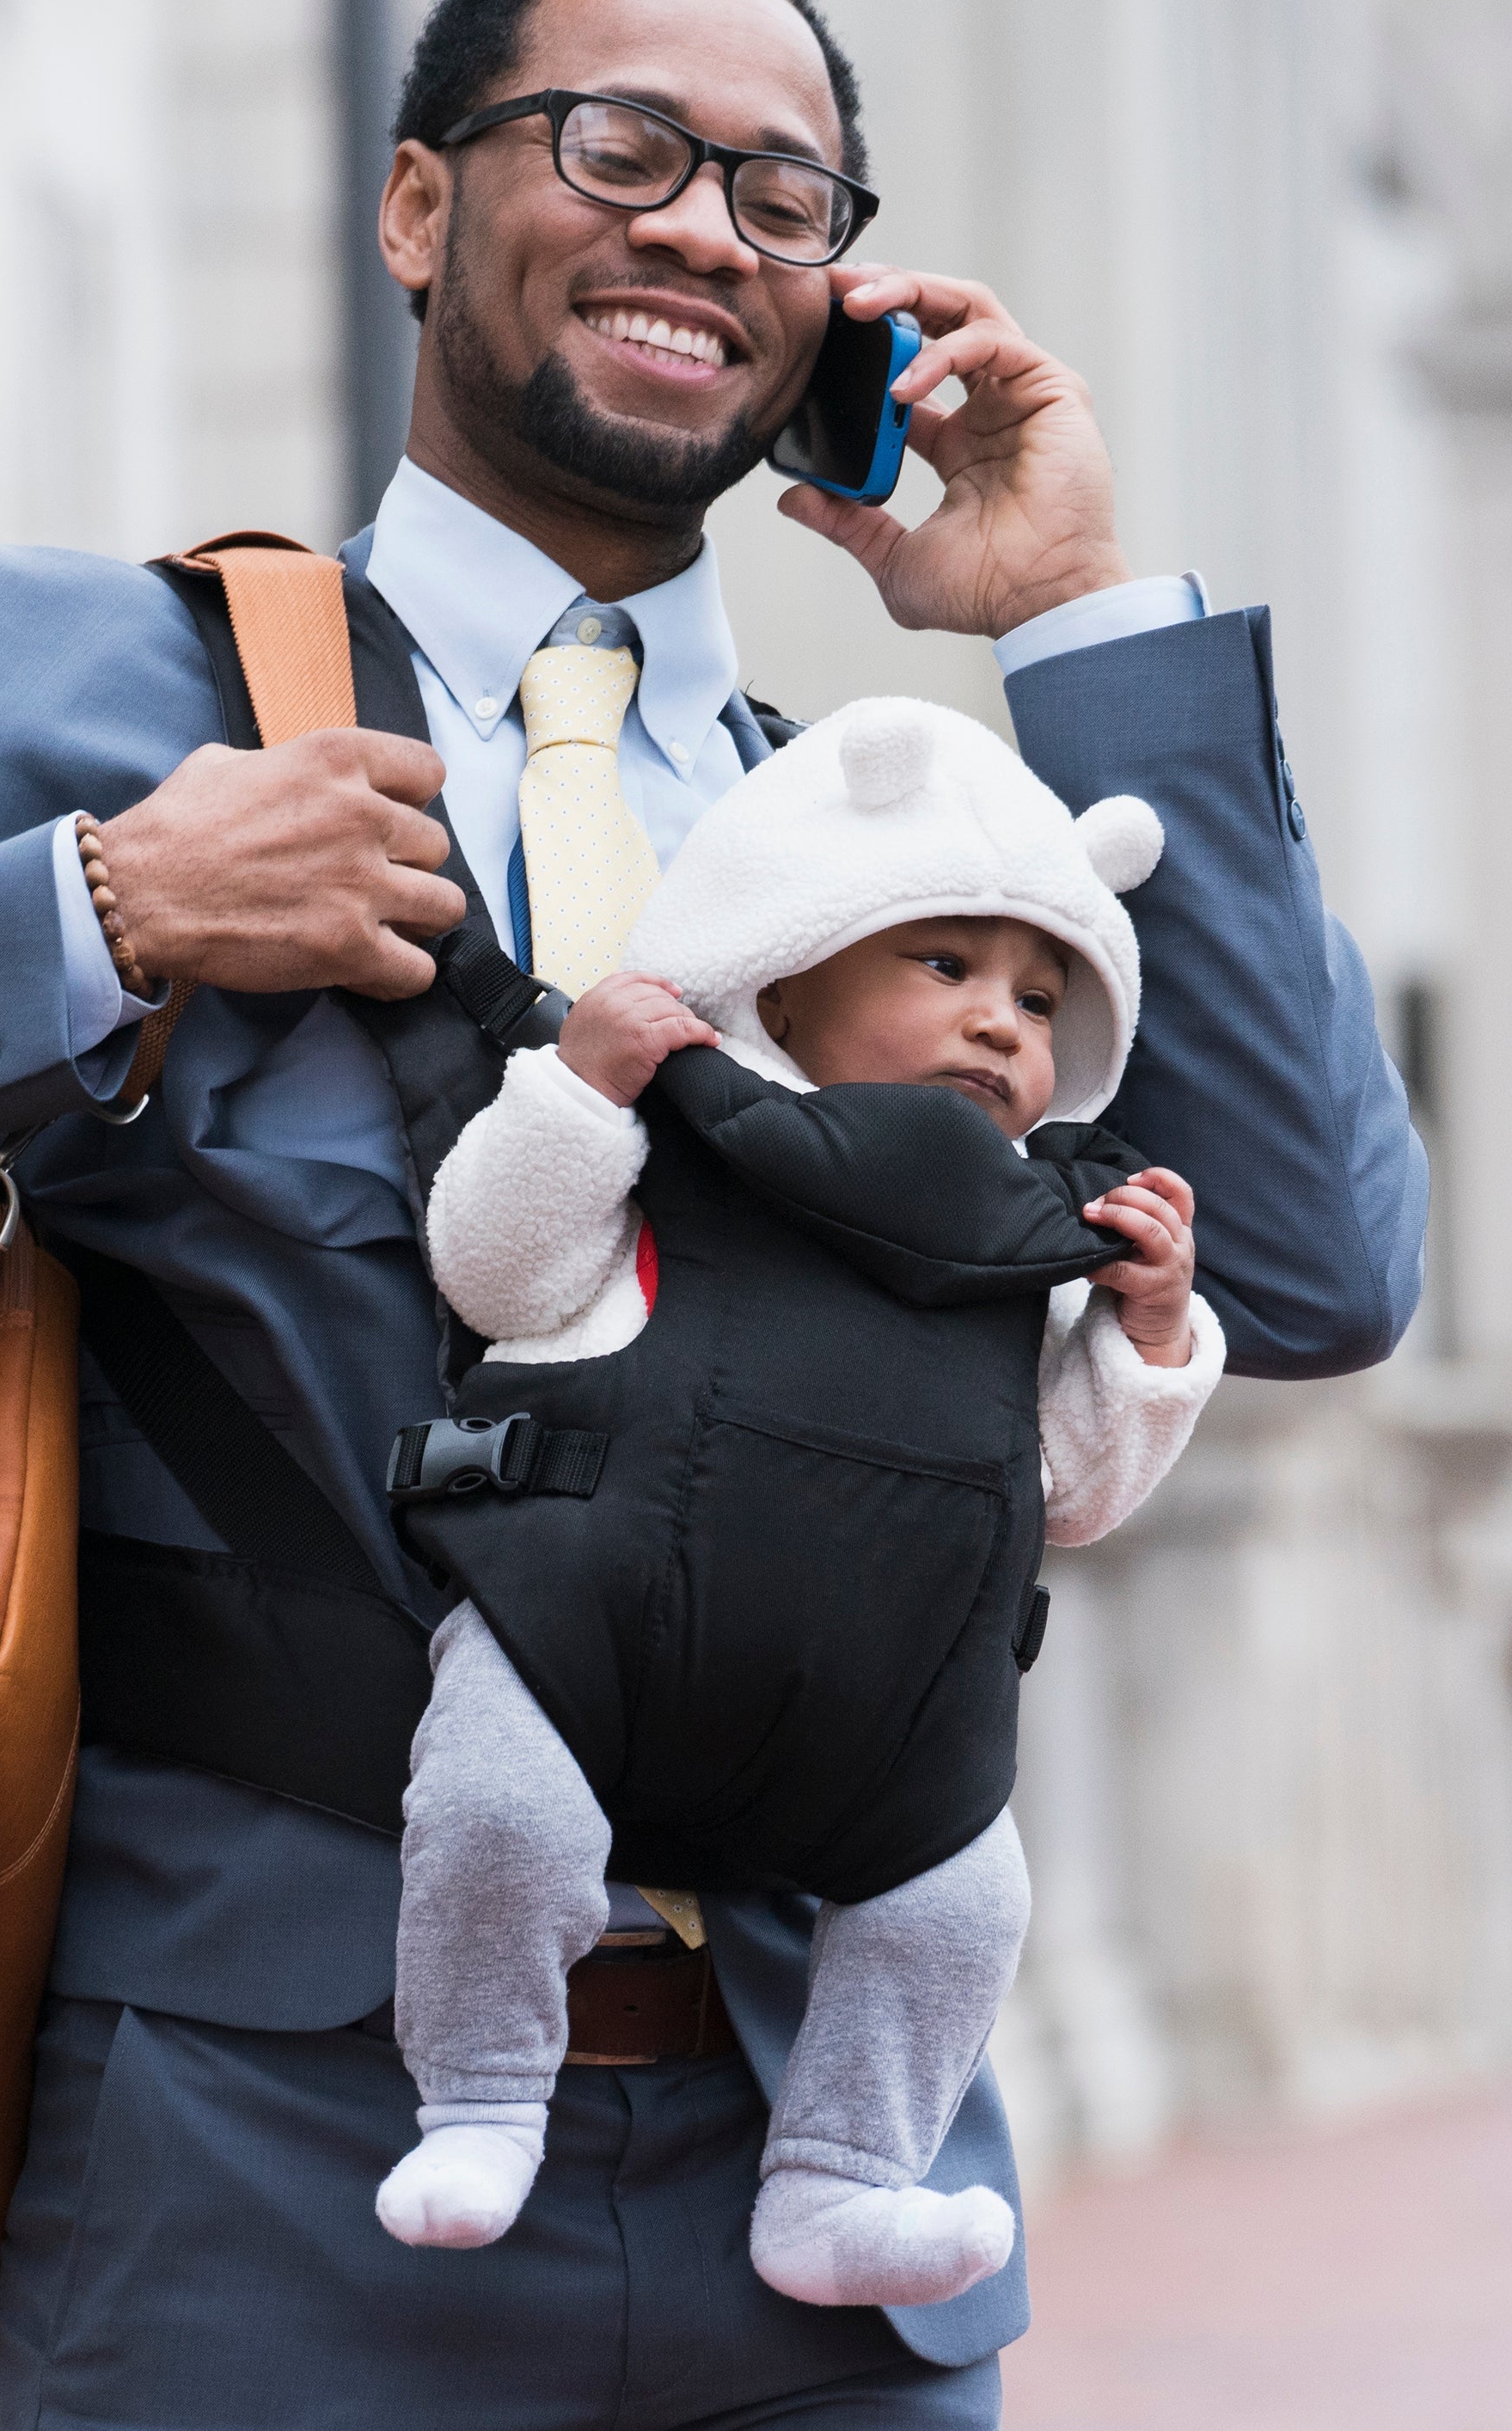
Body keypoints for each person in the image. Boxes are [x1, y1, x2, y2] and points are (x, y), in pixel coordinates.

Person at [0, 0, 1423, 2428]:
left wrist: (1076, 617)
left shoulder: (903, 849)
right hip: (256, 2192)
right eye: (620, 144)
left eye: (783, 196)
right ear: (414, 209)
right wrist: (104, 905)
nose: (703, 221)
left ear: (835, 313)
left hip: (831, 2193)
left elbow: (1317, 1262)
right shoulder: (74, 686)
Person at [381, 700, 1225, 2313]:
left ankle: (845, 2170)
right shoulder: (673, 1142)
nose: (1001, 1022)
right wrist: (573, 1091)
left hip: (881, 1723)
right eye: (946, 967)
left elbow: (1075, 1493)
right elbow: (492, 1271)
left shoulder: (1040, 1235)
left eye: (1041, 996)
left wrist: (1151, 1332)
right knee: (492, 1809)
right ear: (784, 963)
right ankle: (481, 2096)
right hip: (594, 1639)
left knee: (967, 1898)